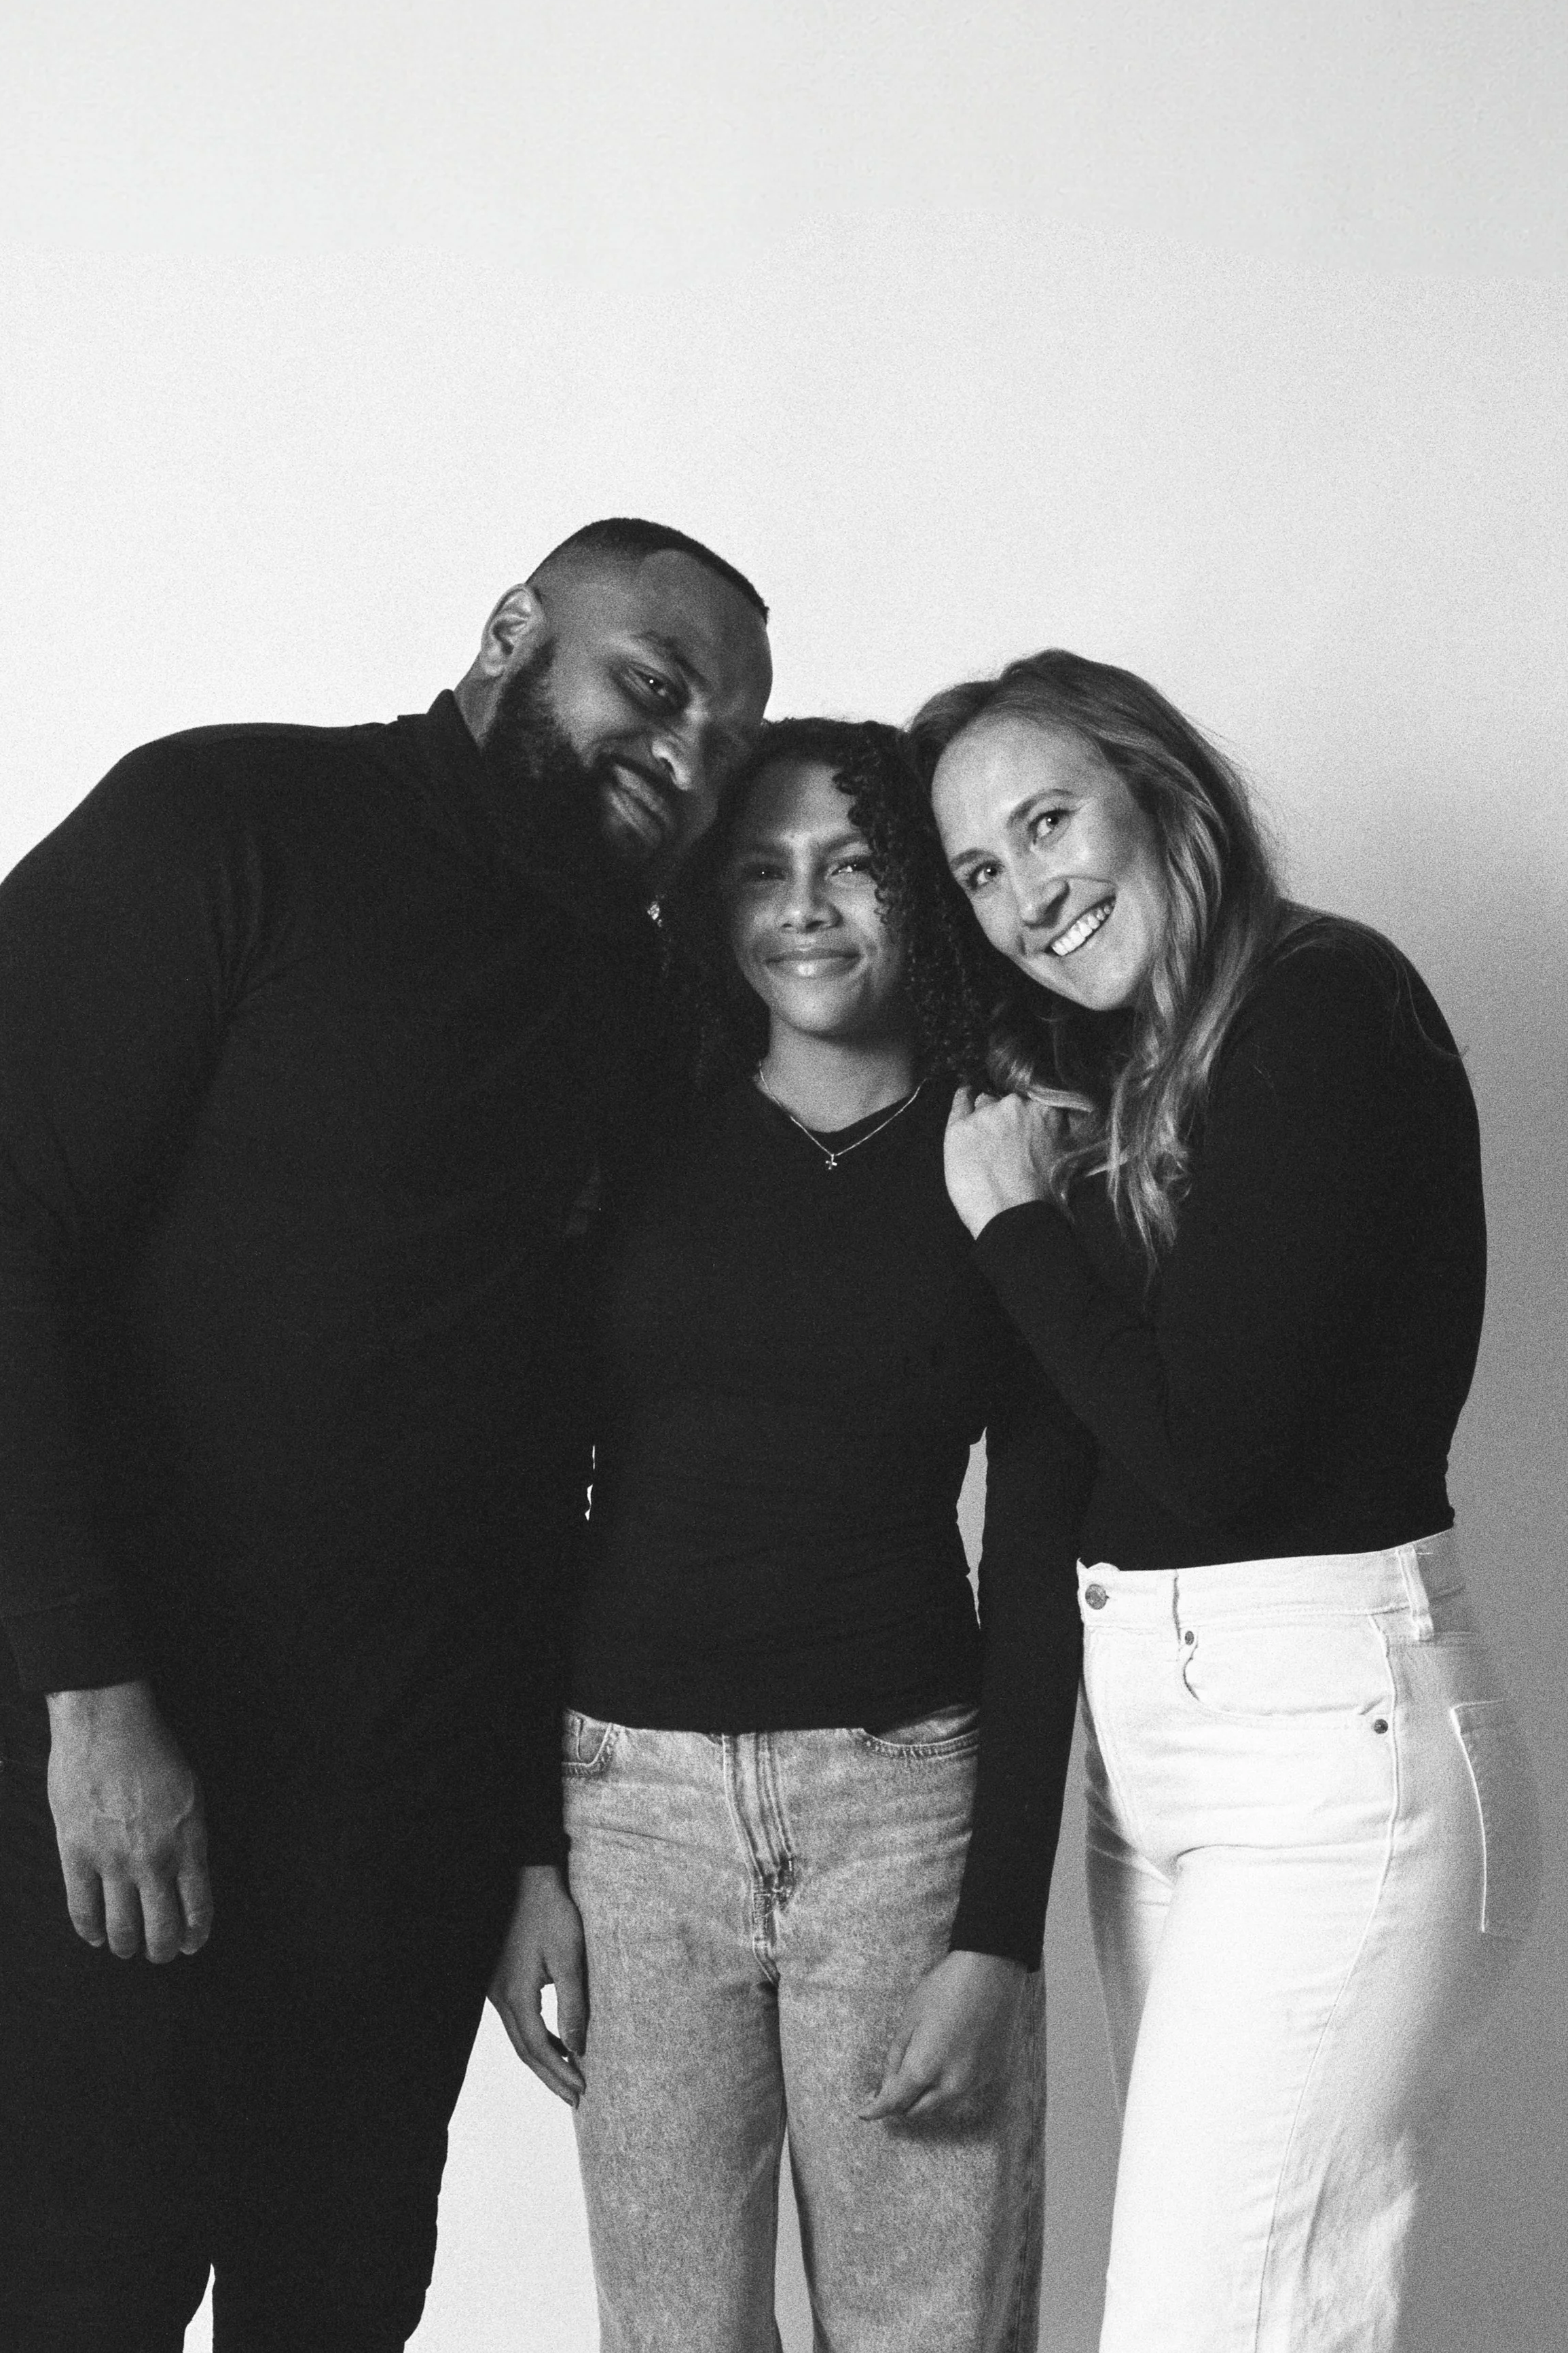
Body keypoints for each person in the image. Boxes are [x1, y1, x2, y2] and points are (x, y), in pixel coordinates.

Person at [0, 517, 773, 2353]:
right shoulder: (222, 827)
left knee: (341, 2303)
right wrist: (92, 1698)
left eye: (722, 737)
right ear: (510, 630)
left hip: (414, 1790)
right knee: (88, 2293)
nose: (687, 756)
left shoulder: (623, 998)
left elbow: (559, 1437)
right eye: (654, 684)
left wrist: (530, 1835)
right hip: (121, 1740)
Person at [915, 649, 1543, 2353]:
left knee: (1214, 2323)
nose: (1027, 895)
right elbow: (1068, 1472)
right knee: (1243, 2317)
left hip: (1330, 1751)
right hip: (1169, 1749)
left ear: (1160, 789)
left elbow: (1208, 1453)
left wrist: (1012, 1225)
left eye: (1047, 821)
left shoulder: (1321, 1006)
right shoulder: (1118, 1080)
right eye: (979, 869)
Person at [491, 719, 1093, 2353]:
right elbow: (532, 1492)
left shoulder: (1007, 1157)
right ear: (711, 904)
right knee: (672, 2331)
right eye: (760, 868)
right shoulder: (634, 1138)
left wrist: (996, 1937)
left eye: (853, 865)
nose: (806, 906)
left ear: (919, 889)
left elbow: (1039, 1562)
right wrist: (523, 1852)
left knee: (927, 2330)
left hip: (902, 1805)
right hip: (631, 1813)